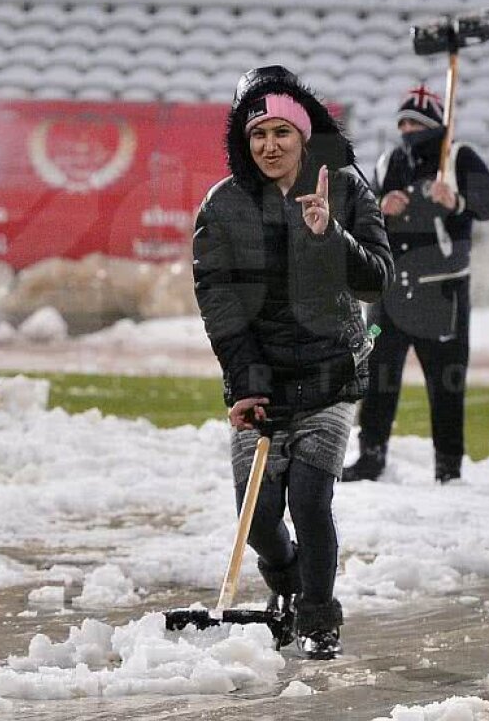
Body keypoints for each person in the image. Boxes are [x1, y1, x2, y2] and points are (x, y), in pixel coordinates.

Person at [193, 65, 393, 659]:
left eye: (282, 132)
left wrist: (329, 232)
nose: (269, 146)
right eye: (258, 135)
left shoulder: (349, 191)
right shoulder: (222, 206)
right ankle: (288, 582)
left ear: (305, 135)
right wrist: (247, 383)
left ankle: (318, 617)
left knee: (310, 498)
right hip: (259, 381)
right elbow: (220, 303)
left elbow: (375, 280)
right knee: (256, 520)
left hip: (330, 377)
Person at [343, 85, 489, 485]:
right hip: (389, 295)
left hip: (442, 295)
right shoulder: (390, 161)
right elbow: (360, 217)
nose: (407, 129)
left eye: (415, 122)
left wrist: (458, 202)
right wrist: (381, 207)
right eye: (401, 123)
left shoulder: (458, 156)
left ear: (434, 124)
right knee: (377, 377)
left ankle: (448, 468)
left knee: (446, 383)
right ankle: (370, 457)